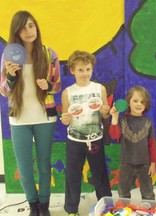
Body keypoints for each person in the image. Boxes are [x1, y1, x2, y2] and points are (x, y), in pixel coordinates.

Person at [0, 11, 61, 216]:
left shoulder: (48, 54)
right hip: (19, 118)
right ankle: (33, 205)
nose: (28, 31)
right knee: (24, 171)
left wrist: (49, 85)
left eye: (31, 26)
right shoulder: (8, 56)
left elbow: (58, 85)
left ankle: (44, 206)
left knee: (44, 166)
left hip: (45, 117)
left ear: (36, 28)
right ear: (16, 31)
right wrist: (10, 75)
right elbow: (4, 90)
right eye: (24, 27)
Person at [61, 50, 112, 216]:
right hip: (74, 141)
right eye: (81, 69)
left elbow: (105, 115)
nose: (85, 73)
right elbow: (65, 120)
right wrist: (65, 119)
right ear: (72, 70)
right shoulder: (67, 92)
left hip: (95, 139)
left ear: (92, 69)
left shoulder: (100, 88)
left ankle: (107, 208)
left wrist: (106, 111)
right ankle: (71, 210)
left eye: (88, 69)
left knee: (100, 175)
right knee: (72, 176)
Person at [109, 86, 156, 200]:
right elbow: (114, 136)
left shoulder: (148, 122)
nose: (138, 104)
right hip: (126, 163)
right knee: (123, 192)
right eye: (135, 101)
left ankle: (149, 211)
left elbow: (152, 144)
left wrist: (153, 163)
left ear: (146, 104)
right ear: (128, 102)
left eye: (142, 102)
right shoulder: (123, 120)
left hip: (145, 164)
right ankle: (124, 210)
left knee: (148, 193)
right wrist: (115, 118)